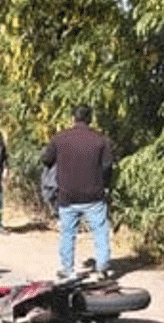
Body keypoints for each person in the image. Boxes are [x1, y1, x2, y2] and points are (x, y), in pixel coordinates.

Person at [41, 105, 114, 279]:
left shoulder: (60, 139)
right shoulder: (100, 140)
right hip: (94, 195)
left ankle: (67, 269)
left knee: (68, 233)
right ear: (90, 119)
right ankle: (102, 267)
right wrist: (104, 185)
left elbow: (45, 159)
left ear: (73, 118)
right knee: (100, 231)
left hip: (67, 195)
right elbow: (107, 166)